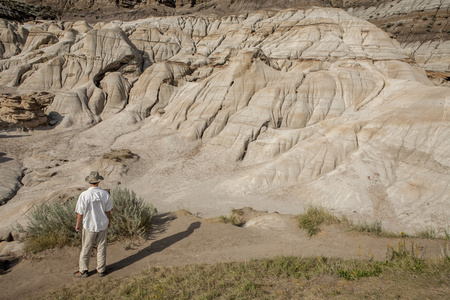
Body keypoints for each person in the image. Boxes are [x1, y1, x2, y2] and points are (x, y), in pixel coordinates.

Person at [73, 171, 113, 278]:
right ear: (99, 181)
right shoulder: (105, 194)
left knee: (86, 247)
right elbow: (108, 211)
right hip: (102, 224)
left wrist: (77, 224)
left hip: (89, 225)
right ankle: (101, 270)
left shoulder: (84, 195)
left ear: (89, 182)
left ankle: (83, 270)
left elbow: (80, 212)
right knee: (101, 247)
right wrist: (108, 221)